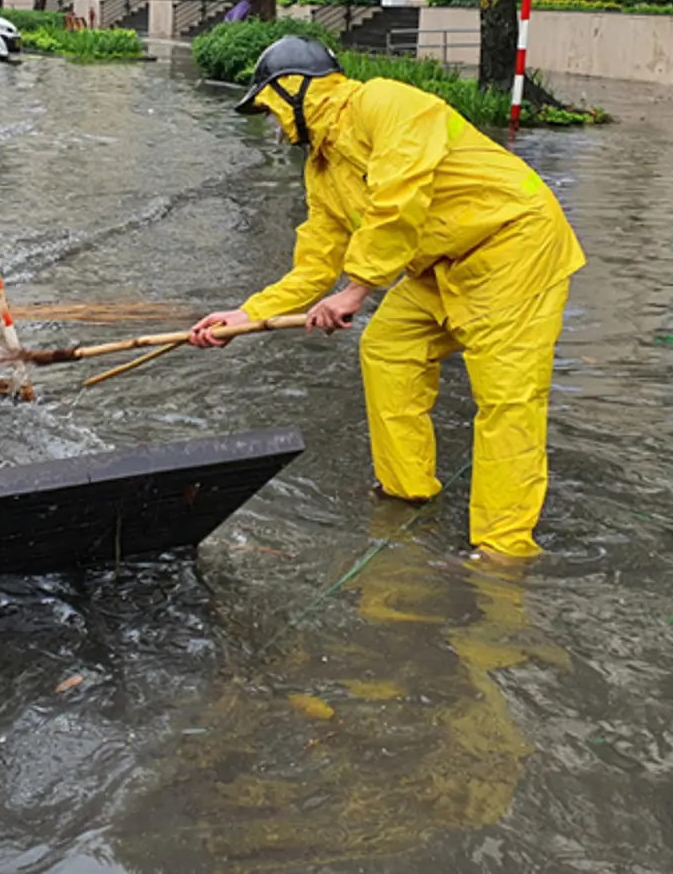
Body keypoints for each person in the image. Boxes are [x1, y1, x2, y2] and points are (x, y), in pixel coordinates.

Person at [190, 37, 586, 562]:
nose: (270, 121)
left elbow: (399, 198)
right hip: (439, 266)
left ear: (294, 89)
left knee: (508, 400)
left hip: (512, 247)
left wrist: (356, 290)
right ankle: (406, 489)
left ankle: (503, 549)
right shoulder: (323, 169)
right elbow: (314, 263)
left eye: (269, 106)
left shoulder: (385, 103)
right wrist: (243, 318)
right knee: (388, 348)